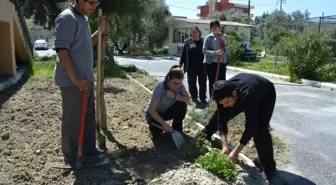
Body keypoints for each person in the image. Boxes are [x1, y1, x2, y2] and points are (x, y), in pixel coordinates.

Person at [53, 0, 107, 166]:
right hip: (73, 82)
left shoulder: (82, 19)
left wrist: (99, 32)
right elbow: (62, 51)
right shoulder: (67, 18)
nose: (94, 6)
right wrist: (75, 79)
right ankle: (73, 158)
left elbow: (85, 44)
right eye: (91, 2)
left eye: (96, 2)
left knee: (88, 118)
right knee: (73, 120)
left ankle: (89, 152)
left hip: (85, 80)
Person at [200, 73, 277, 182]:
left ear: (234, 93)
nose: (225, 105)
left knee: (260, 131)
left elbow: (251, 126)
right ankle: (204, 135)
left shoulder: (248, 94)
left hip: (265, 95)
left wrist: (236, 152)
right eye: (222, 103)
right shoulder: (221, 94)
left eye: (226, 102)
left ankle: (269, 168)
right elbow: (221, 119)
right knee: (218, 115)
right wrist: (224, 146)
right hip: (241, 94)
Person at [145, 65, 191, 137]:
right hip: (154, 115)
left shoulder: (180, 86)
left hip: (166, 112)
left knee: (182, 105)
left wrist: (175, 97)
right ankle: (155, 129)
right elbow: (151, 110)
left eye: (180, 83)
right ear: (169, 78)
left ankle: (177, 130)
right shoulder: (160, 88)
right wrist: (165, 125)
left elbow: (188, 100)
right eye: (175, 83)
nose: (177, 86)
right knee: (157, 133)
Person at [179, 26, 207, 105]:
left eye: (196, 32)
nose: (195, 34)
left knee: (202, 83)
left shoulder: (203, 42)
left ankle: (203, 98)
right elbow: (183, 54)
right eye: (193, 32)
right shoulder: (188, 42)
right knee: (192, 83)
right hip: (190, 67)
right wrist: (180, 64)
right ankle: (194, 97)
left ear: (199, 33)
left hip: (202, 67)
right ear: (191, 33)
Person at [203, 20, 230, 96]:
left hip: (221, 64)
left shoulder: (224, 37)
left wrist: (225, 42)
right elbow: (204, 51)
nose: (215, 28)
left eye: (216, 26)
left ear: (219, 27)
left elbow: (228, 51)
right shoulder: (208, 37)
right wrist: (216, 52)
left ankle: (221, 100)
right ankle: (213, 100)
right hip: (210, 64)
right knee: (212, 82)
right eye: (213, 27)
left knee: (221, 83)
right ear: (211, 28)